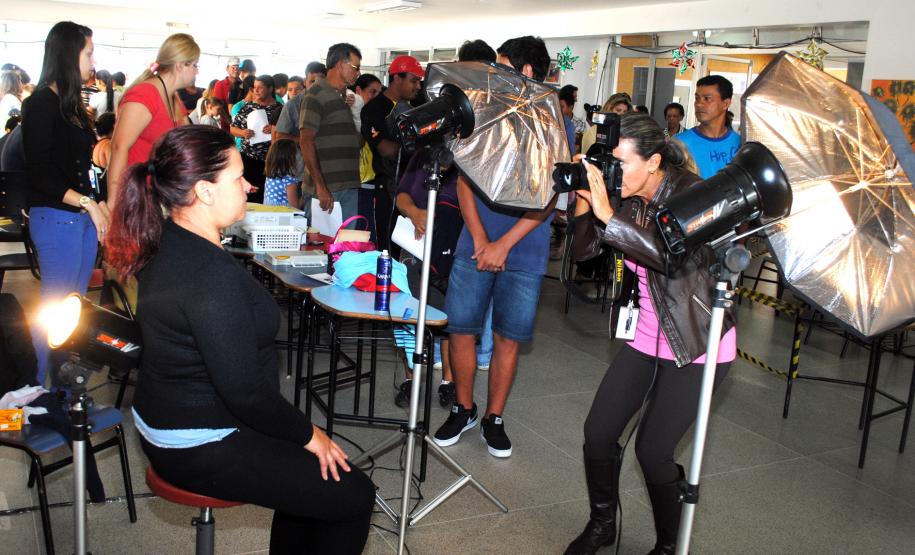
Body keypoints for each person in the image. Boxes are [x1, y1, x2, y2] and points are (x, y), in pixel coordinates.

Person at [104, 125, 374, 554]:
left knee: (308, 482)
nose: (250, 184)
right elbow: (245, 393)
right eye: (237, 177)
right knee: (353, 494)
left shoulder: (167, 239)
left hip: (169, 419)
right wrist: (311, 435)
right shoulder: (208, 278)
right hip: (197, 440)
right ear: (204, 192)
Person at [563, 113, 736, 555]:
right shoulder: (627, 194)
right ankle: (602, 524)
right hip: (645, 334)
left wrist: (607, 214)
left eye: (621, 163)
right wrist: (585, 201)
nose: (613, 172)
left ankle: (667, 545)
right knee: (599, 433)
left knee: (653, 451)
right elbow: (584, 253)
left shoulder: (692, 196)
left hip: (696, 342)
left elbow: (671, 259)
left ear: (654, 161)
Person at [432, 36, 555, 459]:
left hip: (524, 251)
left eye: (501, 66)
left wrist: (503, 245)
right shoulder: (483, 114)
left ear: (525, 72)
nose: (492, 74)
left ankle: (494, 417)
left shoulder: (555, 125)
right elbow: (464, 181)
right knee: (461, 329)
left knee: (507, 338)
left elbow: (549, 198)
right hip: (475, 244)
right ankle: (464, 408)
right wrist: (483, 241)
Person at [21, 21, 109, 386]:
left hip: (79, 219)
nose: (93, 59)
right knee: (55, 310)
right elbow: (40, 173)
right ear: (68, 54)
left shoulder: (72, 106)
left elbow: (83, 167)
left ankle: (59, 385)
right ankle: (40, 387)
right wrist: (89, 202)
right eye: (88, 52)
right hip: (58, 219)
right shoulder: (40, 104)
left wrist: (97, 203)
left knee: (72, 310)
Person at [394, 148, 462, 407]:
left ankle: (449, 382)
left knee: (449, 317)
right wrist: (415, 212)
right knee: (407, 314)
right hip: (414, 245)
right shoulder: (424, 154)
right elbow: (402, 195)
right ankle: (412, 380)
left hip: (453, 248)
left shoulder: (470, 158)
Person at [107, 33, 199, 210]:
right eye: (194, 65)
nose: (197, 71)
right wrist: (114, 202)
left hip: (158, 195)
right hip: (135, 196)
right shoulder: (145, 94)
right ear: (180, 66)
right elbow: (119, 147)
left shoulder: (174, 98)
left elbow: (186, 141)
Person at [360, 54, 424, 248]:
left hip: (414, 188)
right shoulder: (374, 109)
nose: (418, 87)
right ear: (397, 78)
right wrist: (421, 150)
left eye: (419, 82)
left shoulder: (416, 107)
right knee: (388, 247)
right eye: (414, 81)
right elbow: (386, 150)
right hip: (387, 188)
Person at [298, 44, 362, 224]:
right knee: (320, 247)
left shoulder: (346, 97)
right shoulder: (316, 94)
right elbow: (306, 141)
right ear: (341, 64)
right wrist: (320, 186)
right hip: (327, 189)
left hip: (348, 185)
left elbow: (357, 141)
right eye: (355, 67)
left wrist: (357, 114)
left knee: (347, 246)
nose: (358, 73)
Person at [676, 75, 740, 178]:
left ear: (725, 104)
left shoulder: (740, 144)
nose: (699, 104)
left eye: (707, 99)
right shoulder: (679, 144)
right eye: (697, 98)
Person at [231, 74, 282, 203]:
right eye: (254, 87)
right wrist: (243, 133)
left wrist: (274, 129)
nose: (256, 91)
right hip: (249, 158)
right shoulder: (247, 108)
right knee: (249, 195)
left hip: (271, 160)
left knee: (266, 196)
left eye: (260, 87)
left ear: (270, 89)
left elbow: (289, 132)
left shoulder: (280, 108)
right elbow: (232, 128)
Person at [263, 138, 301, 207]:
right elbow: (295, 207)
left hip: (268, 211)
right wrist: (305, 197)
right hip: (282, 215)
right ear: (291, 158)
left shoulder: (271, 174)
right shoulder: (289, 180)